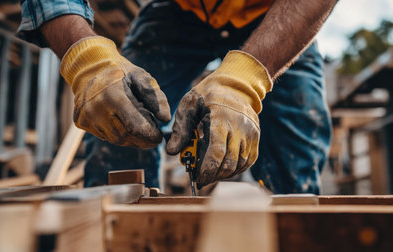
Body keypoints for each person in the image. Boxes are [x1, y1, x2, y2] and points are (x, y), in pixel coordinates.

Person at [18, 0, 336, 194]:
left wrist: (245, 80)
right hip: (179, 9)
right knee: (119, 114)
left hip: (278, 13)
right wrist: (86, 59)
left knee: (295, 161)